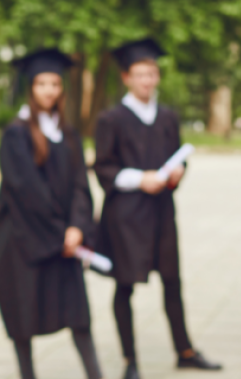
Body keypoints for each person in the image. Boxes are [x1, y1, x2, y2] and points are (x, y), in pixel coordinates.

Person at [94, 38, 221, 379]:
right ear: (126, 78)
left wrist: (177, 174)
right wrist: (140, 179)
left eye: (152, 74)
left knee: (172, 281)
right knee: (125, 285)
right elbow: (103, 168)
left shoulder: (167, 117)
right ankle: (129, 360)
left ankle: (185, 351)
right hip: (126, 215)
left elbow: (177, 156)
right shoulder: (112, 118)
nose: (147, 81)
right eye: (140, 74)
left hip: (162, 212)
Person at [0, 49, 103, 379]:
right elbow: (26, 191)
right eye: (41, 83)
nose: (48, 89)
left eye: (55, 83)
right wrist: (62, 232)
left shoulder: (69, 133)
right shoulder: (16, 134)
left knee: (79, 318)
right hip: (24, 242)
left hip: (65, 241)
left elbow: (80, 186)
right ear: (31, 87)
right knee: (23, 322)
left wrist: (77, 227)